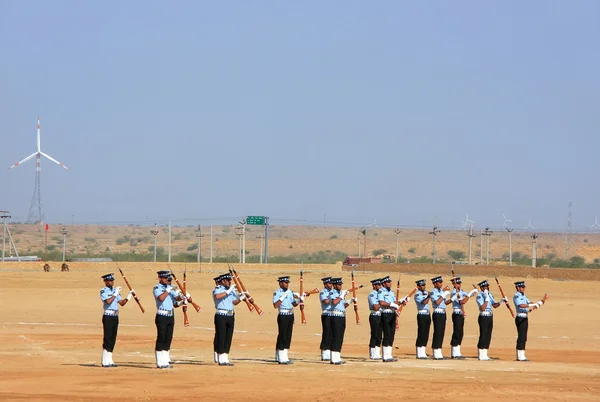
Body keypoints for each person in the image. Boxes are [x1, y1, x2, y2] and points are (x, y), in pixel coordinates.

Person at [153, 270, 189, 369]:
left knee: (168, 338)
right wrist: (168, 290)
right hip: (162, 315)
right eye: (165, 278)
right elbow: (160, 298)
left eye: (168, 278)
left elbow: (176, 300)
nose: (167, 280)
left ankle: (165, 361)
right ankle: (159, 362)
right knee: (161, 338)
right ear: (160, 278)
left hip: (170, 316)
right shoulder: (157, 288)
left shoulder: (168, 288)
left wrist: (182, 297)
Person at [99, 273, 134, 367]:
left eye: (112, 280)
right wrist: (115, 294)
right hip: (108, 316)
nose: (112, 282)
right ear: (105, 282)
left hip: (115, 316)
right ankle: (104, 360)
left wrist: (128, 297)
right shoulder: (103, 291)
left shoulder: (115, 290)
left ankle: (109, 359)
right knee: (107, 337)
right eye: (109, 281)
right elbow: (108, 301)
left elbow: (121, 303)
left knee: (113, 338)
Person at [213, 272, 247, 366]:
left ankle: (225, 357)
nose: (229, 282)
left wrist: (241, 298)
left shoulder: (232, 290)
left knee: (228, 336)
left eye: (229, 281)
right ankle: (220, 357)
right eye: (227, 281)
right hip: (221, 315)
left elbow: (234, 302)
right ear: (223, 281)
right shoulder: (218, 289)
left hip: (230, 315)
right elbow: (217, 296)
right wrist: (228, 291)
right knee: (221, 336)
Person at [513, 281, 547, 361]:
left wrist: (538, 303)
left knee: (524, 336)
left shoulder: (523, 295)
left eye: (524, 287)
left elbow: (529, 302)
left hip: (525, 317)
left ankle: (522, 355)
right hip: (520, 317)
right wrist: (532, 305)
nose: (524, 289)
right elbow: (520, 305)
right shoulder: (516, 296)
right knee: (521, 336)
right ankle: (520, 356)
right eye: (522, 287)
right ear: (518, 288)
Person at [475, 279, 508, 361]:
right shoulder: (480, 295)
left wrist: (501, 301)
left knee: (488, 335)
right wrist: (486, 298)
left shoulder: (490, 294)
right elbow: (482, 307)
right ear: (482, 288)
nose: (487, 288)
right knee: (483, 335)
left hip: (490, 316)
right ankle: (480, 354)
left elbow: (494, 305)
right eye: (485, 287)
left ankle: (485, 354)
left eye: (488, 287)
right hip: (483, 316)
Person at [377, 276, 408, 362]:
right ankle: (385, 355)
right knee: (386, 334)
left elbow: (395, 303)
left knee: (391, 335)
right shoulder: (381, 291)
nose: (390, 283)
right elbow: (381, 302)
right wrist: (391, 304)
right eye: (388, 282)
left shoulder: (391, 292)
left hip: (392, 314)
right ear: (383, 283)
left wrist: (401, 301)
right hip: (385, 314)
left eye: (390, 282)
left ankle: (389, 354)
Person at [272, 276, 301, 364]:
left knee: (288, 336)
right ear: (280, 283)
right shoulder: (277, 293)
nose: (287, 284)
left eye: (287, 283)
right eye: (285, 282)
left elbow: (294, 304)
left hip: (290, 315)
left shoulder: (290, 292)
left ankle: (285, 356)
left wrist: (300, 299)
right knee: (282, 336)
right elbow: (275, 305)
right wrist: (282, 297)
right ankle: (281, 357)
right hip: (283, 315)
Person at [328, 277, 355, 365]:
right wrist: (341, 296)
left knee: (340, 336)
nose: (340, 286)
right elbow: (334, 302)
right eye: (339, 285)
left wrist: (350, 301)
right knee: (335, 336)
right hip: (335, 316)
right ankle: (333, 358)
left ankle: (337, 356)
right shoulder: (332, 292)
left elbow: (342, 305)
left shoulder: (340, 293)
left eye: (341, 285)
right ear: (334, 285)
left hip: (342, 315)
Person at [449, 277, 478, 359]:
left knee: (460, 333)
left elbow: (468, 295)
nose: (459, 285)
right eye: (457, 283)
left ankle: (458, 352)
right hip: (457, 313)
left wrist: (474, 291)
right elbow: (462, 302)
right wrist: (469, 294)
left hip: (461, 314)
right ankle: (454, 353)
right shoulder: (454, 293)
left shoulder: (461, 292)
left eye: (460, 283)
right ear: (454, 284)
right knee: (457, 333)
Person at [429, 276, 452, 360]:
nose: (441, 284)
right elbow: (437, 302)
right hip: (437, 312)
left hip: (443, 312)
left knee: (441, 332)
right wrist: (444, 294)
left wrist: (453, 299)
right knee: (437, 332)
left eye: (441, 282)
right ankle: (435, 351)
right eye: (439, 282)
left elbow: (445, 302)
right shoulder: (433, 292)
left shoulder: (441, 292)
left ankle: (439, 350)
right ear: (435, 284)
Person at [414, 279, 431, 359]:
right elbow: (424, 302)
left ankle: (423, 351)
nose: (424, 287)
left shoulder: (425, 293)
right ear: (418, 286)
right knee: (421, 333)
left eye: (424, 285)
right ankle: (419, 352)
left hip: (427, 314)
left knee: (426, 334)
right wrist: (429, 296)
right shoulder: (417, 295)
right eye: (422, 285)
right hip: (421, 314)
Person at [367, 278, 383, 360]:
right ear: (374, 286)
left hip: (381, 315)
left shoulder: (381, 294)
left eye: (380, 285)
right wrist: (383, 303)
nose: (380, 287)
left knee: (380, 335)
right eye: (378, 285)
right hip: (375, 315)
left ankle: (377, 353)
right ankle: (372, 353)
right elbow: (375, 307)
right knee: (374, 334)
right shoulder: (372, 295)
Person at [319, 276, 334, 361]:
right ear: (325, 284)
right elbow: (325, 301)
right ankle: (324, 353)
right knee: (326, 333)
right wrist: (334, 299)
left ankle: (330, 352)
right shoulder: (323, 292)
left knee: (332, 333)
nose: (331, 285)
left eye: (331, 283)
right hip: (326, 314)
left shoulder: (333, 292)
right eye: (329, 283)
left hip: (333, 314)